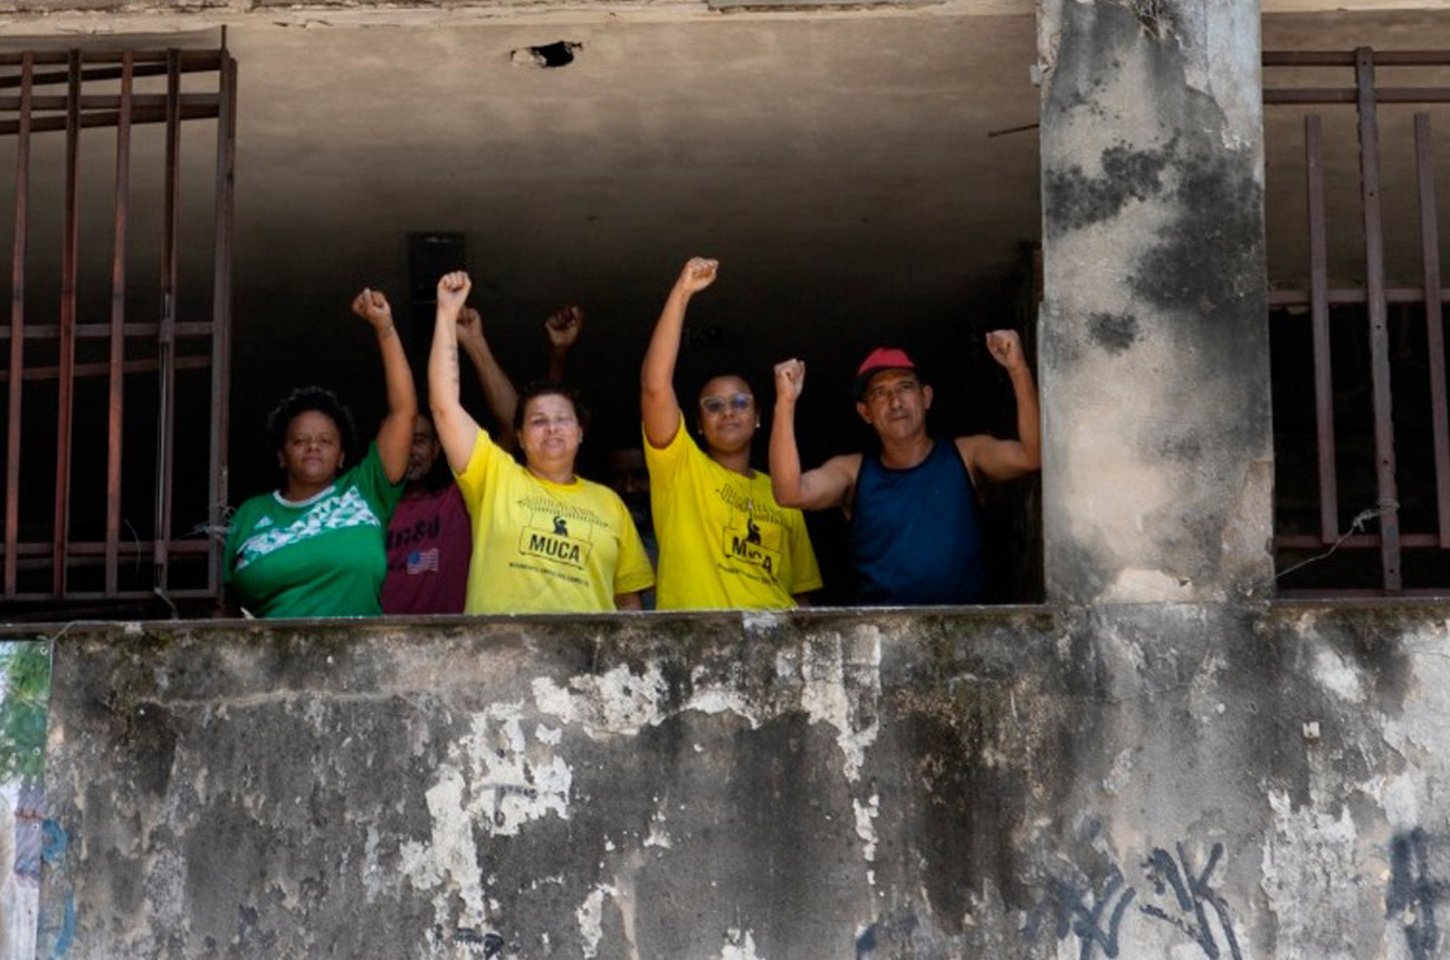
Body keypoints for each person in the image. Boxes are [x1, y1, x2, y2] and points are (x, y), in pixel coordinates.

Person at [428, 271, 653, 613]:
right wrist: (446, 314)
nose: (552, 428)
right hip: (501, 646)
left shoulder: (610, 504)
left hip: (588, 650)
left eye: (563, 419)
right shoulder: (495, 478)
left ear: (580, 432)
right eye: (538, 421)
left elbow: (628, 599)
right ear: (519, 436)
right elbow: (444, 406)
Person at [769, 333, 1039, 605]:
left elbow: (1032, 456)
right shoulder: (853, 472)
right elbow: (790, 493)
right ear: (865, 412)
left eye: (905, 387)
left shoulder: (967, 455)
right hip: (882, 628)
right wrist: (785, 402)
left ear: (926, 397)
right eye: (880, 393)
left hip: (966, 627)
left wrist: (1018, 369)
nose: (895, 402)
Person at [641, 257, 821, 609]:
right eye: (713, 405)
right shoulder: (680, 468)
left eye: (740, 402)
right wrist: (682, 293)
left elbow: (802, 597)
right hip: (696, 638)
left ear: (757, 417)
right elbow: (655, 387)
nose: (727, 412)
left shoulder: (783, 491)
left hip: (773, 636)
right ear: (697, 423)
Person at [225, 288, 416, 617]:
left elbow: (404, 413)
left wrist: (385, 328)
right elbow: (222, 604)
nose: (313, 446)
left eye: (326, 440)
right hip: (271, 650)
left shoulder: (366, 491)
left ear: (341, 456)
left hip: (359, 648)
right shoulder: (249, 514)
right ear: (282, 455)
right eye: (300, 440)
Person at [381, 303, 584, 614]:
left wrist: (475, 344)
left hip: (456, 641)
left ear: (438, 449)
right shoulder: (364, 509)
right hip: (374, 643)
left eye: (419, 440)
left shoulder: (465, 498)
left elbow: (517, 427)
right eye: (401, 441)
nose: (409, 450)